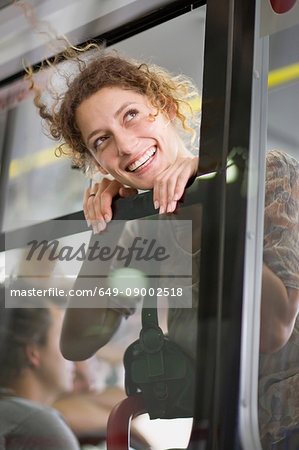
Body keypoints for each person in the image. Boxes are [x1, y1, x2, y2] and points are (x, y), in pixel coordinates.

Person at [28, 45, 298, 446]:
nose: (124, 144)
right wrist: (114, 221)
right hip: (219, 436)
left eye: (131, 115)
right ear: (100, 165)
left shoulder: (267, 173)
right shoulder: (143, 231)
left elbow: (272, 329)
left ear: (168, 107)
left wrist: (209, 190)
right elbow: (78, 342)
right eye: (102, 141)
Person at [0, 294, 80, 450]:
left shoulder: (11, 416)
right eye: (62, 339)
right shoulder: (38, 425)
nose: (72, 353)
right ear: (33, 352)